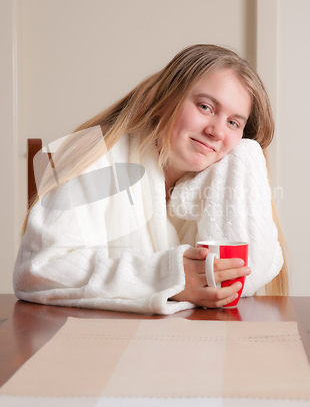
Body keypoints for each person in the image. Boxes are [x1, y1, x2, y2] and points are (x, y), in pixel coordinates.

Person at [14, 44, 288, 314]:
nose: (217, 132)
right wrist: (167, 276)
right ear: (165, 100)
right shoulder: (97, 156)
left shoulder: (224, 177)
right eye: (205, 106)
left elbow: (248, 275)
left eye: (234, 123)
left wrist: (247, 158)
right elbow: (39, 270)